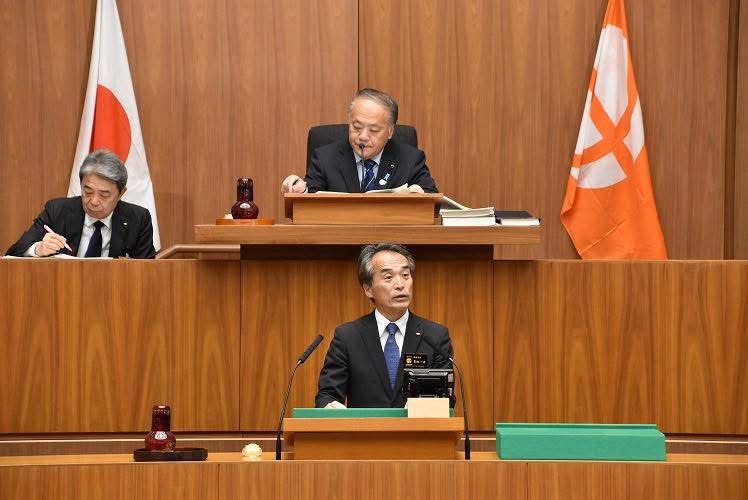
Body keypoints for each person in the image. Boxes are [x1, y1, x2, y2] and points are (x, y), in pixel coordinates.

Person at [315, 243, 453, 408]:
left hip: (417, 425)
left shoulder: (435, 337)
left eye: (405, 275)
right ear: (368, 289)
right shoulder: (348, 337)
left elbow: (446, 399)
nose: (400, 284)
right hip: (364, 426)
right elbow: (327, 396)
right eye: (388, 277)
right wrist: (329, 407)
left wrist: (424, 407)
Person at [281, 88, 438, 194]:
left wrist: (420, 193)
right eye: (356, 127)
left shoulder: (410, 159)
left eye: (373, 130)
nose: (363, 136)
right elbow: (310, 198)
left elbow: (432, 198)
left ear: (390, 131)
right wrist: (300, 190)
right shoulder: (324, 158)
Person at [6, 149, 156, 259]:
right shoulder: (57, 210)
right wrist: (39, 249)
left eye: (104, 195)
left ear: (121, 193)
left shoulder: (138, 218)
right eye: (88, 191)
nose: (94, 201)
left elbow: (146, 271)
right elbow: (14, 252)